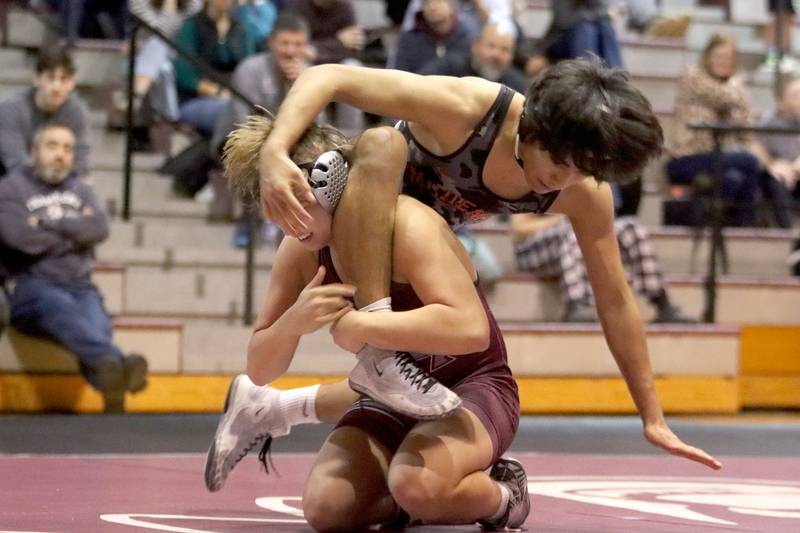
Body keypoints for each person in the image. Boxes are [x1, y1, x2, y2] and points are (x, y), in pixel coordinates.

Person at [206, 57, 723, 492]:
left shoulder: (581, 191)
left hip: (415, 258)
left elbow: (614, 298)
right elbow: (329, 76)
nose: (562, 180)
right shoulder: (471, 111)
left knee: (440, 370)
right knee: (382, 143)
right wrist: (275, 151)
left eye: (581, 170)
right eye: (559, 162)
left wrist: (651, 414)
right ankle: (373, 362)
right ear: (534, 125)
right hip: (363, 231)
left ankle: (294, 406)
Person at [209, 115, 529, 530]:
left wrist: (362, 328)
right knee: (326, 509)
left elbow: (470, 330)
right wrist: (292, 323)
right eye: (277, 211)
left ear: (331, 180)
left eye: (296, 203)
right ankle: (416, 499)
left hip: (472, 385)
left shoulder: (408, 225)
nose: (289, 223)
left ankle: (504, 496)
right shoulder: (300, 250)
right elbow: (259, 368)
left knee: (417, 483)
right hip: (393, 394)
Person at [0, 124, 148, 413]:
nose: (61, 155)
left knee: (96, 323)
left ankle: (111, 375)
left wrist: (45, 224)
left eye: (67, 149)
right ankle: (121, 363)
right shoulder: (11, 188)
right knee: (62, 310)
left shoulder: (80, 188)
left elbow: (99, 228)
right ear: (33, 151)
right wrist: (74, 234)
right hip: (31, 287)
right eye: (52, 146)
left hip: (81, 287)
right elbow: (19, 238)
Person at [512, 213, 693, 323]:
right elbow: (519, 228)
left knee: (631, 227)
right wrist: (563, 218)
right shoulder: (535, 176)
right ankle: (576, 305)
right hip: (532, 250)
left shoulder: (582, 175)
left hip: (577, 238)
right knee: (575, 229)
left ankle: (661, 301)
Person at [666, 32, 764, 227]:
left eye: (728, 57)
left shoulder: (732, 88)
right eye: (718, 56)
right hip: (686, 158)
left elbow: (745, 127)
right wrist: (738, 85)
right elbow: (726, 96)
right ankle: (747, 226)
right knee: (750, 161)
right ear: (707, 57)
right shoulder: (693, 77)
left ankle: (735, 229)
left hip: (720, 159)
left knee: (735, 178)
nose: (723, 62)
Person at [0, 47, 89, 180]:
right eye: (51, 78)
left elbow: (80, 160)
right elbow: (16, 163)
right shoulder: (10, 109)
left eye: (63, 79)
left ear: (72, 83)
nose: (56, 87)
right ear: (37, 79)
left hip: (56, 180)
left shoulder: (77, 112)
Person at [420, 21, 528, 93]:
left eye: (504, 50)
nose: (496, 55)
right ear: (476, 46)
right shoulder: (448, 68)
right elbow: (420, 86)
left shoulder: (518, 85)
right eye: (491, 46)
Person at [756, 74, 800, 228]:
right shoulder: (768, 123)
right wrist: (773, 164)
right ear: (781, 101)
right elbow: (758, 149)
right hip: (779, 174)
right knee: (776, 183)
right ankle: (788, 234)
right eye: (795, 96)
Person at [390, 0, 475, 74]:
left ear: (451, 6)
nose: (432, 7)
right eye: (426, 3)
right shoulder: (410, 39)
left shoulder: (468, 35)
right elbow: (400, 72)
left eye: (438, 1)